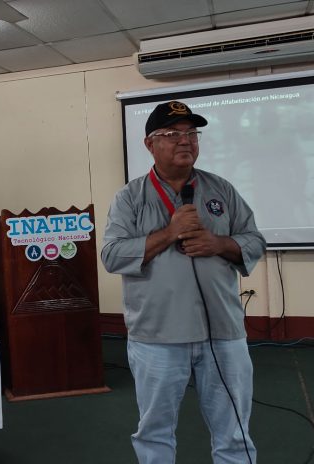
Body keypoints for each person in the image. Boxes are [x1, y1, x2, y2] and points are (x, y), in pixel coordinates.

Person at [101, 100, 266, 464]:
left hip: (222, 333)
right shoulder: (129, 198)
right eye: (172, 134)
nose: (185, 141)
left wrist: (220, 244)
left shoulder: (220, 189)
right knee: (155, 431)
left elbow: (255, 240)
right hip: (157, 337)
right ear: (150, 144)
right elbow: (112, 255)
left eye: (192, 133)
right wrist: (168, 233)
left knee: (235, 430)